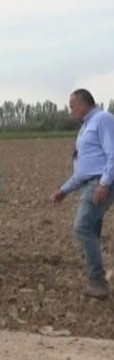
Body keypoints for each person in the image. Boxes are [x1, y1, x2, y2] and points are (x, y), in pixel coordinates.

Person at [50, 88, 114, 299]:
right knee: (92, 231)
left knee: (82, 226)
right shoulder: (85, 128)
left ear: (83, 104)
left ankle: (98, 281)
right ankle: (98, 280)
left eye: (72, 107)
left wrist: (104, 183)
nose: (71, 112)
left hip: (99, 183)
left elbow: (112, 153)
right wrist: (64, 190)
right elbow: (82, 170)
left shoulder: (103, 119)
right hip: (89, 183)